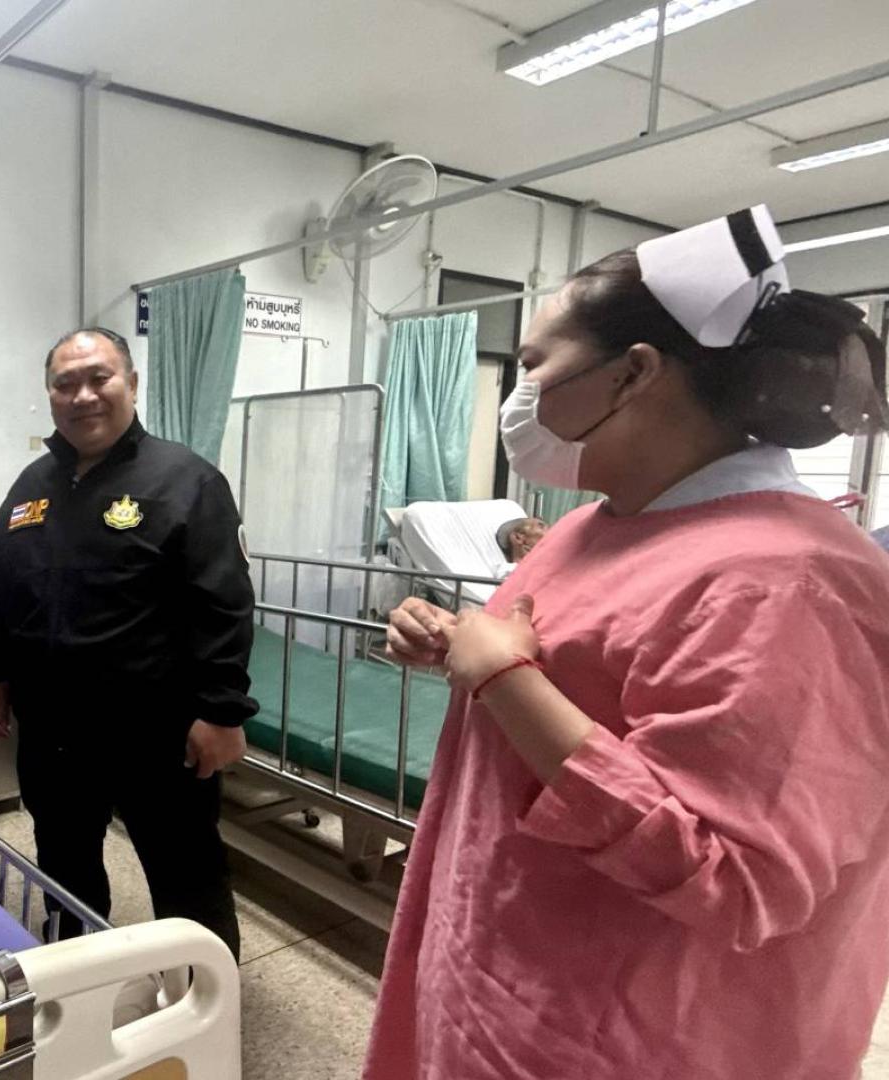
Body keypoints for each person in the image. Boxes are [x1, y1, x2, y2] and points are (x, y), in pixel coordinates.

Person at [367, 207, 889, 1080]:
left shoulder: (791, 582)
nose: (522, 394)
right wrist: (457, 644)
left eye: (534, 365)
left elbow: (738, 877)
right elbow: (564, 672)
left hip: (629, 1032)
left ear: (635, 372)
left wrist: (505, 676)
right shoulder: (595, 526)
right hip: (503, 964)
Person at [0, 326, 255, 959]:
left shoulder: (186, 481)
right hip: (52, 729)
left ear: (131, 382)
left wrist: (222, 711)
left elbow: (225, 604)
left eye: (98, 378)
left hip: (155, 731)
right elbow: (4, 586)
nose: (82, 395)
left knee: (186, 874)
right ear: (50, 395)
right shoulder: (30, 486)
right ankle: (78, 975)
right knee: (63, 867)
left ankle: (205, 997)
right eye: (65, 384)